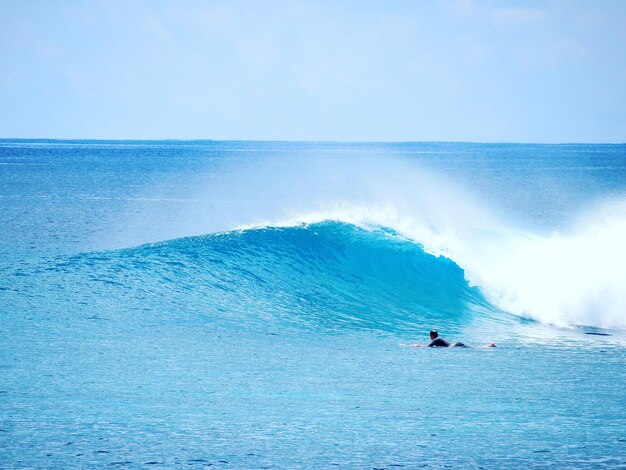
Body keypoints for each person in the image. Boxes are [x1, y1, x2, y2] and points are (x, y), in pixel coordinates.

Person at [400, 330, 496, 348]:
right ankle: (488, 345)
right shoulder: (438, 339)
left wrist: (414, 345)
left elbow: (428, 347)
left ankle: (488, 346)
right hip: (456, 344)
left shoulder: (436, 340)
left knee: (474, 348)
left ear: (432, 336)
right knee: (473, 348)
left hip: (454, 346)